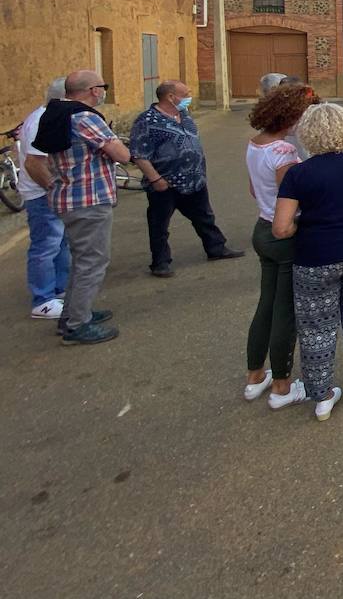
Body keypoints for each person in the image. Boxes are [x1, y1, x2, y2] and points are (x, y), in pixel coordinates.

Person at [272, 103, 343, 420]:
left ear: (308, 134)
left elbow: (281, 228)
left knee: (316, 329)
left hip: (315, 257)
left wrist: (304, 223)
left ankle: (322, 396)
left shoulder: (299, 174)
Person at [27, 70, 131, 345]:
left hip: (68, 196)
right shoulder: (84, 117)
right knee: (93, 262)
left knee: (81, 260)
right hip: (89, 199)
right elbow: (122, 154)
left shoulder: (56, 114)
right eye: (102, 86)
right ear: (93, 90)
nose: (104, 91)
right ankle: (77, 325)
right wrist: (116, 143)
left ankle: (73, 313)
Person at [243, 84, 317, 410]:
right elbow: (293, 196)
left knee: (267, 304)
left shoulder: (256, 144)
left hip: (262, 226)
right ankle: (282, 386)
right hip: (284, 233)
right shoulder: (284, 152)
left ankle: (255, 375)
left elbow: (252, 189)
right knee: (286, 311)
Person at [128, 80, 243, 278]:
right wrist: (155, 179)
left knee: (204, 217)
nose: (189, 97)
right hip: (165, 182)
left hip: (194, 179)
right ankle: (160, 262)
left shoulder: (184, 115)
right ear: (171, 97)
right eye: (185, 94)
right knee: (159, 224)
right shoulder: (147, 120)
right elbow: (139, 154)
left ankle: (216, 248)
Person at [15, 78, 71, 320]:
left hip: (48, 192)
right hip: (41, 194)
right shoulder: (42, 120)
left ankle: (58, 289)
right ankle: (43, 300)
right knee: (46, 245)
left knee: (60, 242)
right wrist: (52, 188)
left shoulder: (48, 116)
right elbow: (34, 163)